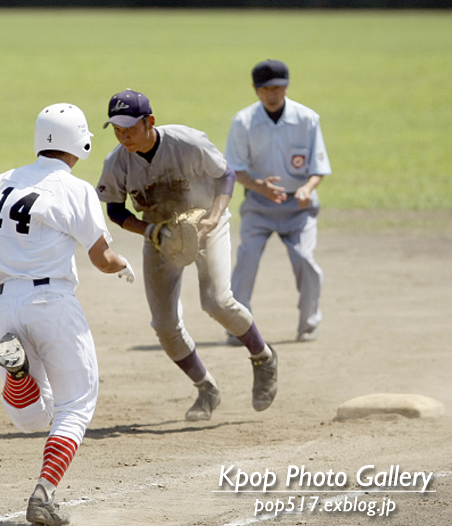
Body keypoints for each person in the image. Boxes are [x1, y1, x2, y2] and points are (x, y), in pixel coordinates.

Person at [0, 103, 135, 526]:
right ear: (80, 142)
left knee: (29, 417)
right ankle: (44, 493)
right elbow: (102, 259)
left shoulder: (0, 182)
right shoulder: (76, 189)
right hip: (53, 304)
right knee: (76, 405)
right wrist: (122, 264)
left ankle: (18, 375)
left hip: (6, 305)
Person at [95, 88, 278, 423]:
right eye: (117, 130)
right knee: (164, 325)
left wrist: (214, 215)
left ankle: (263, 356)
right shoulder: (117, 162)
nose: (123, 136)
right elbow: (115, 210)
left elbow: (226, 175)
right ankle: (205, 387)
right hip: (160, 234)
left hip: (206, 222)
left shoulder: (188, 142)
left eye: (130, 128)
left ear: (149, 121)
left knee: (216, 301)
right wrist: (149, 232)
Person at [224, 60, 331, 344]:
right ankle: (237, 327)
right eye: (267, 89)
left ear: (286, 87)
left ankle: (308, 325)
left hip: (299, 207)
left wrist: (307, 189)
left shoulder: (307, 119)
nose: (273, 95)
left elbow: (318, 167)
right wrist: (260, 186)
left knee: (305, 259)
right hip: (258, 205)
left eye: (279, 88)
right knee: (246, 260)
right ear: (256, 90)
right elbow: (235, 168)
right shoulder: (243, 121)